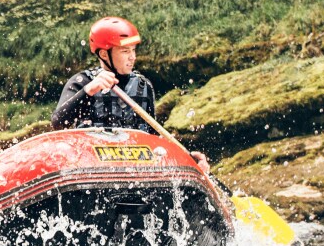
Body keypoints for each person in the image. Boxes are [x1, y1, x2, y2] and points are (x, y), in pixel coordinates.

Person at [52, 16, 210, 173]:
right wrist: (88, 91)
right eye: (125, 51)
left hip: (135, 168)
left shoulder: (143, 86)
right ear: (104, 54)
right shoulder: (82, 82)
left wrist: (188, 159)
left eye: (133, 50)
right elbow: (58, 123)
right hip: (93, 167)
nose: (132, 57)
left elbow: (153, 137)